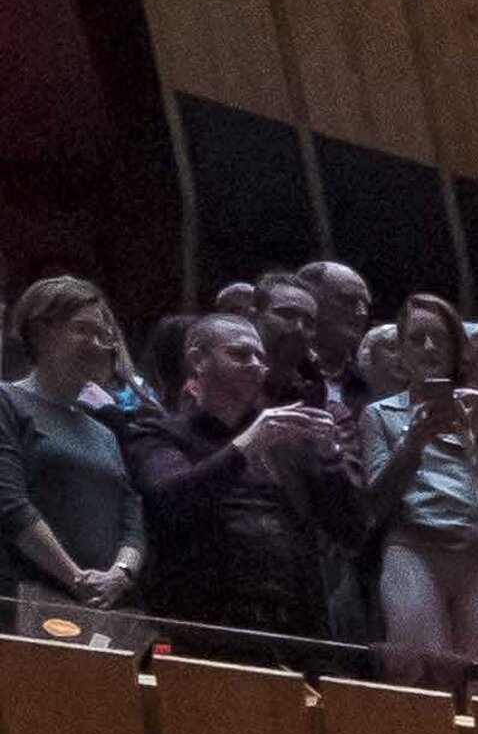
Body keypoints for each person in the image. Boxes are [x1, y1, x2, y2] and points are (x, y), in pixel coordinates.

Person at [123, 311, 365, 651]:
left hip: (293, 635)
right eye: (239, 354)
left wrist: (331, 459)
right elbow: (171, 501)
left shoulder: (287, 440)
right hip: (199, 630)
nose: (256, 365)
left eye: (259, 358)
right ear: (197, 360)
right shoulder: (158, 432)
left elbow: (352, 532)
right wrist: (249, 443)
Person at [357, 289, 478, 678]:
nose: (429, 347)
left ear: (458, 348)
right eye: (416, 339)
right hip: (414, 550)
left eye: (440, 337)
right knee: (418, 684)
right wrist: (411, 445)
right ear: (401, 352)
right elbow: (377, 501)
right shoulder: (380, 415)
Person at [2, 272, 148, 633]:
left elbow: (131, 513)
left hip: (97, 610)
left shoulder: (104, 430)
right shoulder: (7, 401)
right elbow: (9, 504)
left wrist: (121, 572)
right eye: (84, 330)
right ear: (40, 332)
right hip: (19, 601)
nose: (100, 345)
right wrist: (77, 578)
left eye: (104, 335)